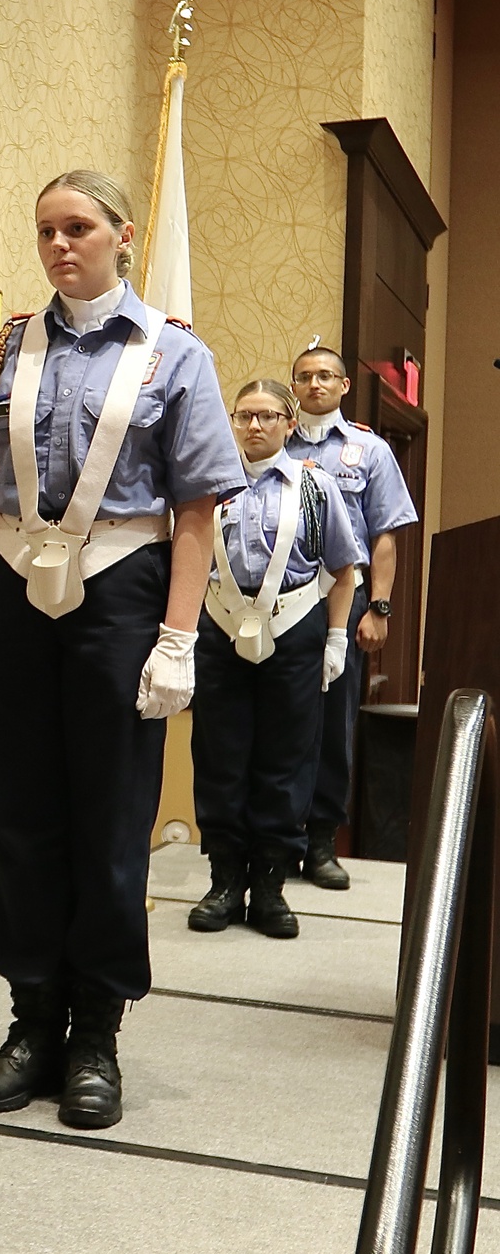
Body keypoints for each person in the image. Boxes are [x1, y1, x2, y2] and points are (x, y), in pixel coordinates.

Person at [0, 169, 245, 1129]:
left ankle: (96, 1032)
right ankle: (32, 1020)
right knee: (21, 811)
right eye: (45, 231)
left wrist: (178, 637)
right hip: (12, 589)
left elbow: (195, 507)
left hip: (122, 590)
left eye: (79, 228)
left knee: (111, 818)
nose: (60, 245)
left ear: (122, 233)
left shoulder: (175, 358)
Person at [187, 380, 361, 938]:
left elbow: (343, 569)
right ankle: (223, 881)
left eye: (267, 416)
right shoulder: (209, 489)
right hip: (219, 631)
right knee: (220, 754)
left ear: (289, 424)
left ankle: (269, 886)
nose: (254, 426)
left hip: (294, 631)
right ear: (233, 423)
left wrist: (337, 639)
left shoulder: (317, 488)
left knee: (286, 759)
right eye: (244, 416)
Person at [286, 346, 418, 889]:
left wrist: (380, 608)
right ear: (293, 385)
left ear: (343, 386)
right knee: (281, 718)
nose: (315, 385)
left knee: (334, 725)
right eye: (305, 377)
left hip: (347, 599)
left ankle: (320, 843)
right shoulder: (274, 441)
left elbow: (384, 536)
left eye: (325, 377)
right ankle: (276, 838)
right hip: (280, 602)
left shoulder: (370, 450)